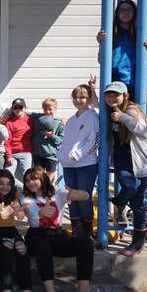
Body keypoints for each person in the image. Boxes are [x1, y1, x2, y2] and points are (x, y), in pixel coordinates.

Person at [21, 167, 93, 292]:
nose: (30, 183)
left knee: (85, 241)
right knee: (43, 244)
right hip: (36, 235)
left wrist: (79, 194)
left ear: (42, 179)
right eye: (27, 180)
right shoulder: (27, 198)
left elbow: (84, 196)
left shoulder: (58, 194)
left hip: (58, 234)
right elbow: (28, 213)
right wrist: (39, 213)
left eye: (33, 178)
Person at [104, 81, 147, 257]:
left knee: (138, 204)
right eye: (108, 95)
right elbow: (94, 105)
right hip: (121, 158)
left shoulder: (133, 111)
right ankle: (119, 203)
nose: (111, 98)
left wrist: (122, 117)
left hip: (139, 160)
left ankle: (138, 242)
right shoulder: (108, 111)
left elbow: (145, 132)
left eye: (115, 95)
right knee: (129, 187)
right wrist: (92, 89)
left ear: (125, 96)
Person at [97, 0, 147, 106]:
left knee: (139, 120)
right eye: (122, 10)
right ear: (117, 14)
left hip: (141, 84)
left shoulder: (144, 33)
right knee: (117, 119)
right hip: (117, 86)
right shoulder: (111, 33)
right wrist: (101, 44)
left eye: (129, 10)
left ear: (135, 12)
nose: (125, 13)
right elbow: (101, 61)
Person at [58, 78, 99, 239]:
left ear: (88, 99)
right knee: (71, 199)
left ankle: (87, 232)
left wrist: (78, 154)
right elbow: (66, 140)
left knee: (83, 197)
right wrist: (61, 155)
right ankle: (77, 231)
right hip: (68, 165)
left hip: (86, 164)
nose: (78, 100)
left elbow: (95, 140)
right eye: (75, 97)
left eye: (82, 97)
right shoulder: (71, 120)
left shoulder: (92, 116)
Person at [31, 98, 64, 184]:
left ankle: (49, 196)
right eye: (45, 109)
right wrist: (6, 115)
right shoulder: (38, 117)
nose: (47, 111)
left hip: (51, 156)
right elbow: (23, 111)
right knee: (38, 179)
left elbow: (61, 140)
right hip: (38, 154)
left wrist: (51, 136)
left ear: (55, 109)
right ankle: (39, 197)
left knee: (49, 181)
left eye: (50, 109)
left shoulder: (60, 123)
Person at [4, 98, 33, 189]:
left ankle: (27, 195)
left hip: (26, 152)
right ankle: (24, 189)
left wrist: (60, 122)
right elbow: (7, 141)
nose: (17, 110)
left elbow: (46, 117)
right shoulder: (9, 122)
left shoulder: (31, 120)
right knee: (7, 175)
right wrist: (9, 155)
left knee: (27, 176)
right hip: (12, 153)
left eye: (20, 107)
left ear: (24, 108)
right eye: (15, 108)